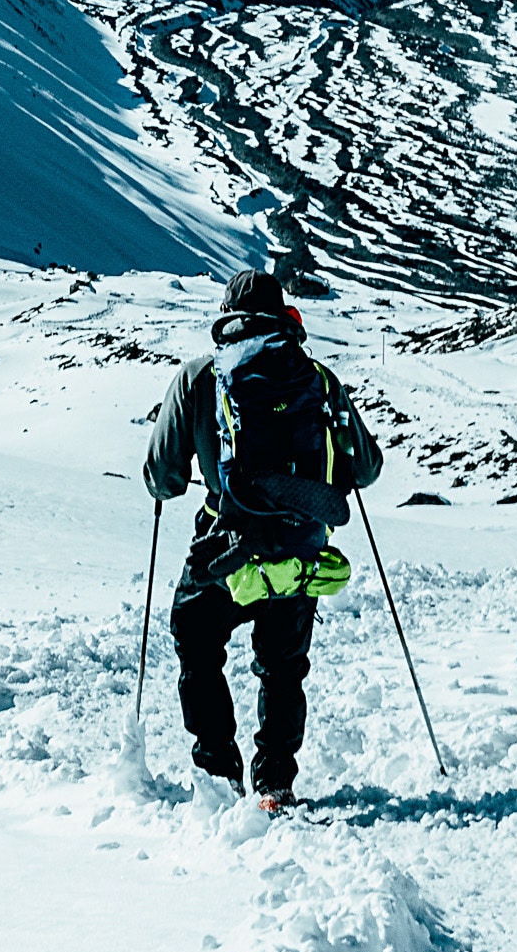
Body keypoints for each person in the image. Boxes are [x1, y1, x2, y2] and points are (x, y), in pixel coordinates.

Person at [142, 265, 383, 807]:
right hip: (299, 544)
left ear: (226, 316)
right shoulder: (316, 379)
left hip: (226, 544)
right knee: (283, 665)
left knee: (197, 638)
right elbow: (366, 469)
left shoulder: (199, 377)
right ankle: (274, 782)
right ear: (283, 314)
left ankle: (219, 770)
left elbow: (164, 478)